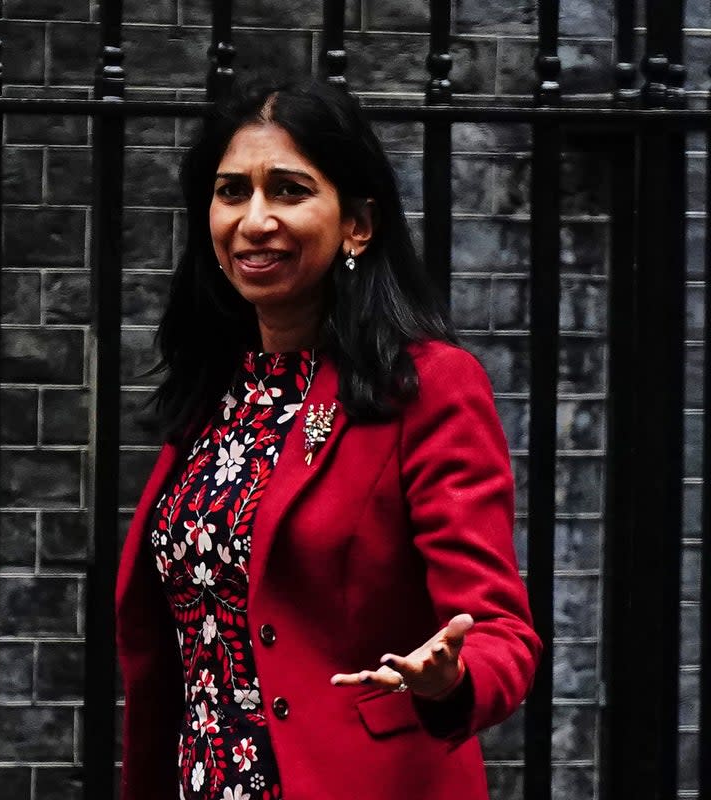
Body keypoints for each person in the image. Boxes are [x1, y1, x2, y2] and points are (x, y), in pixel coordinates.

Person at [115, 79, 541, 800]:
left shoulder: (428, 386)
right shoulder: (215, 393)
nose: (254, 220)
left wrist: (453, 676)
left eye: (288, 191)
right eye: (231, 192)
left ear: (358, 223)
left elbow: (501, 628)